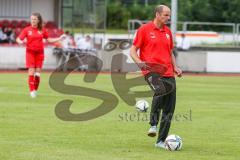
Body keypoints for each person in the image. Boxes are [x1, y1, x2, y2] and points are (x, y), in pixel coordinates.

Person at [130, 5, 182, 149]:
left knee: (169, 109)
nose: (168, 18)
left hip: (168, 72)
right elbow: (133, 50)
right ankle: (153, 124)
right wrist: (140, 64)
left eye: (169, 15)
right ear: (157, 14)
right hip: (151, 71)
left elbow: (170, 52)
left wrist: (176, 67)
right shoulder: (144, 30)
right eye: (166, 15)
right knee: (160, 90)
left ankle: (160, 141)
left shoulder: (168, 32)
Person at [16, 13, 65, 98]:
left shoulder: (42, 30)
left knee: (37, 73)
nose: (33, 21)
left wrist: (59, 38)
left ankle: (35, 90)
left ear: (38, 20)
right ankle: (32, 91)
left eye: (35, 19)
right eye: (32, 19)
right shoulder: (27, 29)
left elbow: (49, 39)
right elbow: (18, 39)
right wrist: (20, 42)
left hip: (39, 53)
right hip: (30, 53)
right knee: (31, 71)